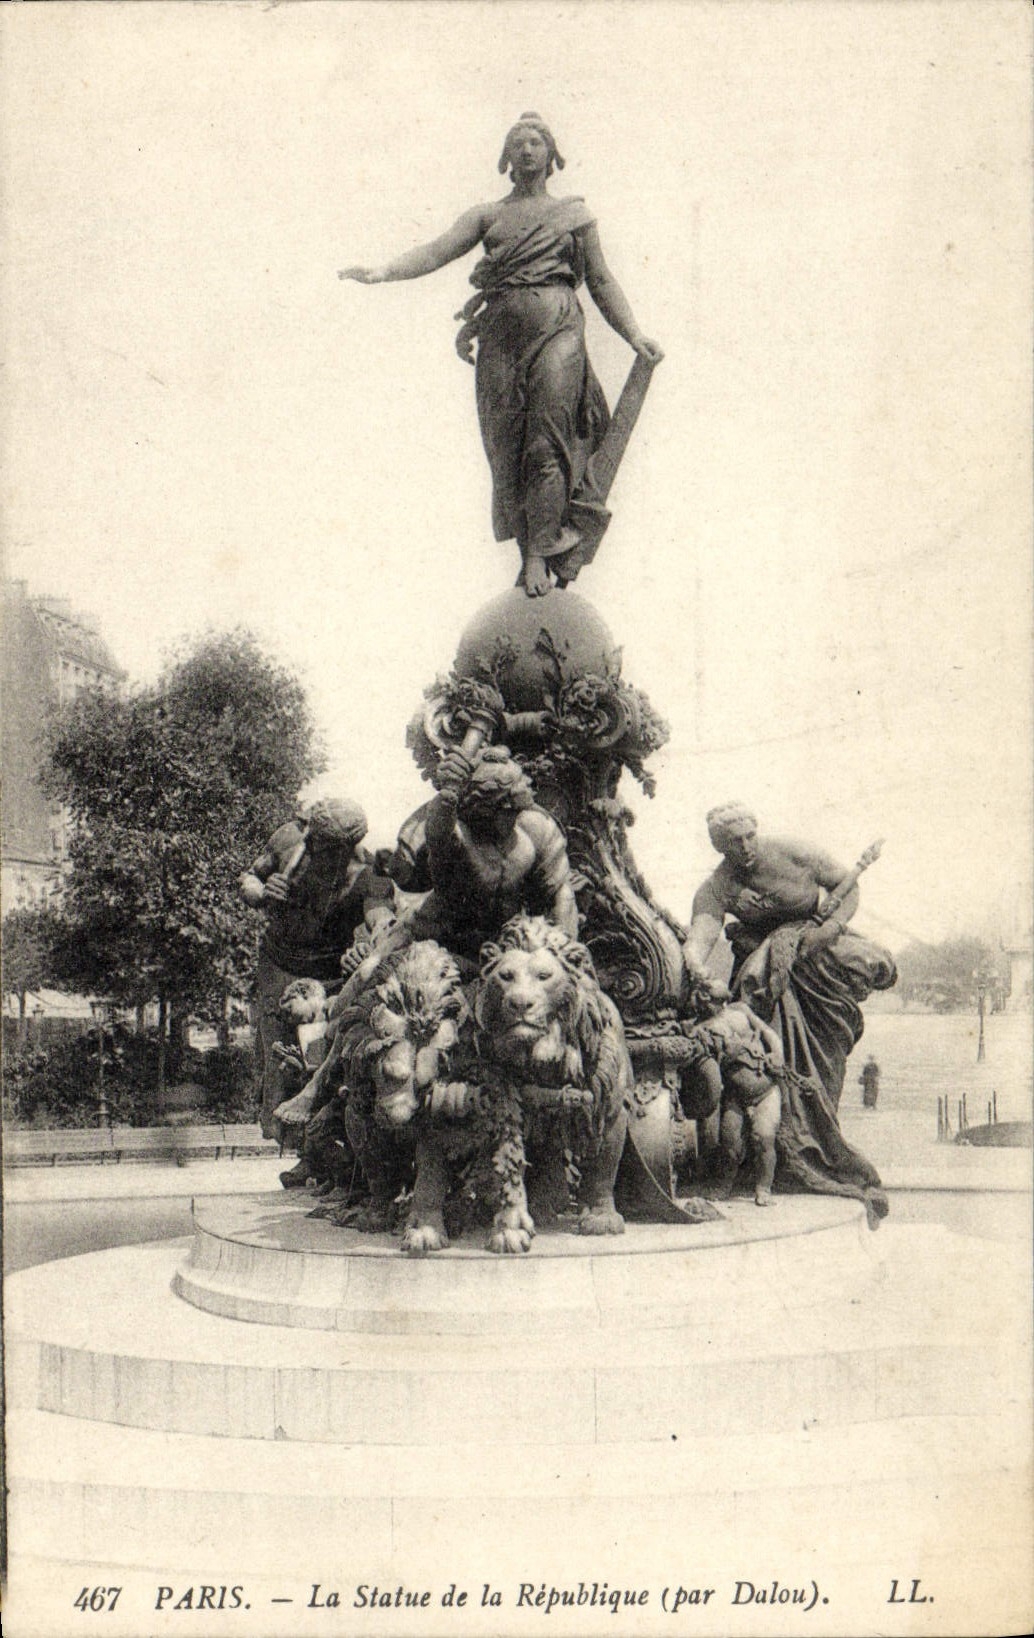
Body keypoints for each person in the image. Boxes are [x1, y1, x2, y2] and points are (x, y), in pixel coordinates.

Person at [340, 113, 663, 596]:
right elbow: (437, 250)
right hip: (501, 337)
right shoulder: (487, 215)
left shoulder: (574, 214)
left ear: (551, 155)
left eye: (536, 142)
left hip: (558, 328)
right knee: (507, 450)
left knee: (546, 442)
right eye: (518, 142)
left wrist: (633, 334)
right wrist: (383, 271)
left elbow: (600, 280)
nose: (527, 149)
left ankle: (538, 556)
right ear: (506, 157)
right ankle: (527, 553)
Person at [682, 802, 897, 1220]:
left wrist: (826, 932)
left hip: (820, 952)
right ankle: (777, 1161)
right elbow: (701, 935)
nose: (745, 847)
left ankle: (817, 1147)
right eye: (733, 842)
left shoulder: (795, 853)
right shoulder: (718, 887)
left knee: (825, 1064)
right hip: (770, 974)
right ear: (719, 847)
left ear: (756, 830)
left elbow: (848, 888)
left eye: (749, 836)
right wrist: (690, 962)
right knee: (767, 1049)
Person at [240, 798, 394, 1136]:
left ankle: (317, 1149)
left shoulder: (370, 875)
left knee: (320, 1057)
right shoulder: (288, 840)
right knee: (281, 1058)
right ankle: (290, 1141)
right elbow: (248, 878)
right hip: (280, 964)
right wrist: (262, 893)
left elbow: (382, 920)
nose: (307, 847)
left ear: (342, 850)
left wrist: (367, 947)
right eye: (307, 838)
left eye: (317, 846)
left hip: (331, 976)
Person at [682, 978, 783, 1207]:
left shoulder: (741, 1010)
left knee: (764, 1137)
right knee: (730, 1145)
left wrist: (778, 1054)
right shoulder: (699, 1029)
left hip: (765, 1089)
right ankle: (724, 1185)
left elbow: (768, 1033)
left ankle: (764, 1187)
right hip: (735, 1096)